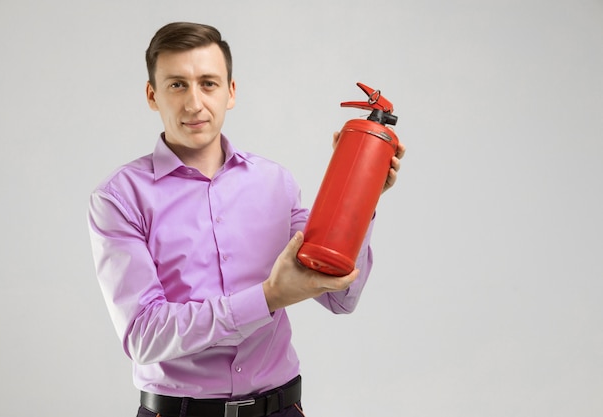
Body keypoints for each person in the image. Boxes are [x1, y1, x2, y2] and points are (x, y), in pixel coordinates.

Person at [88, 22, 405, 417]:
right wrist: (268, 297)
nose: (194, 104)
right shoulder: (120, 198)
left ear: (230, 92)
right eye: (176, 85)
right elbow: (144, 336)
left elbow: (341, 296)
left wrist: (361, 197)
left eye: (208, 83)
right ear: (153, 96)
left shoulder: (275, 184)